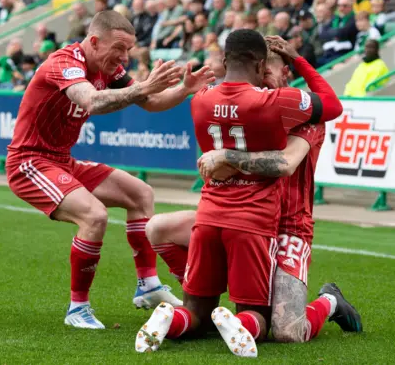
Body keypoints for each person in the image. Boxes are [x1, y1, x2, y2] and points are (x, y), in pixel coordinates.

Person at [141, 36, 363, 348]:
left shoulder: (306, 120)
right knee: (157, 228)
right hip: (245, 215)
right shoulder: (254, 105)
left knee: (287, 332)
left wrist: (227, 157)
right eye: (264, 73)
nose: (264, 82)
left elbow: (285, 163)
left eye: (272, 74)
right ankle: (197, 293)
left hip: (288, 226)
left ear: (285, 75)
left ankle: (330, 301)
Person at [5, 10, 215, 330]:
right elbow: (92, 101)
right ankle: (78, 308)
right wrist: (142, 87)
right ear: (93, 41)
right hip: (29, 162)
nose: (124, 57)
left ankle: (148, 285)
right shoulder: (65, 62)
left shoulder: (110, 68)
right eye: (119, 48)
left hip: (62, 160)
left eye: (129, 49)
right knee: (95, 216)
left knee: (141, 193)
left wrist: (185, 89)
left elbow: (150, 102)